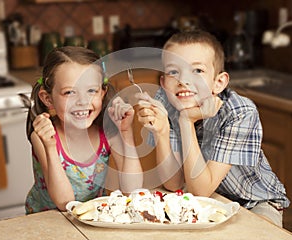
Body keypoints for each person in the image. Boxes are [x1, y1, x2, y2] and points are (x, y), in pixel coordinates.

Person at [136, 30, 290, 227]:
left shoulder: (240, 112)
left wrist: (185, 121)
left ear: (218, 83)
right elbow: (173, 184)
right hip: (209, 199)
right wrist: (162, 132)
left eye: (197, 71)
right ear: (164, 83)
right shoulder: (165, 101)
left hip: (254, 203)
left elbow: (201, 189)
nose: (183, 80)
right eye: (174, 71)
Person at [25, 46, 143, 214]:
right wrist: (50, 147)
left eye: (91, 91)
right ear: (48, 99)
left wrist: (126, 134)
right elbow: (65, 203)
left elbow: (132, 190)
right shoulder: (44, 137)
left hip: (88, 220)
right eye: (69, 92)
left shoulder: (108, 132)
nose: (82, 101)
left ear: (103, 93)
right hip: (47, 223)